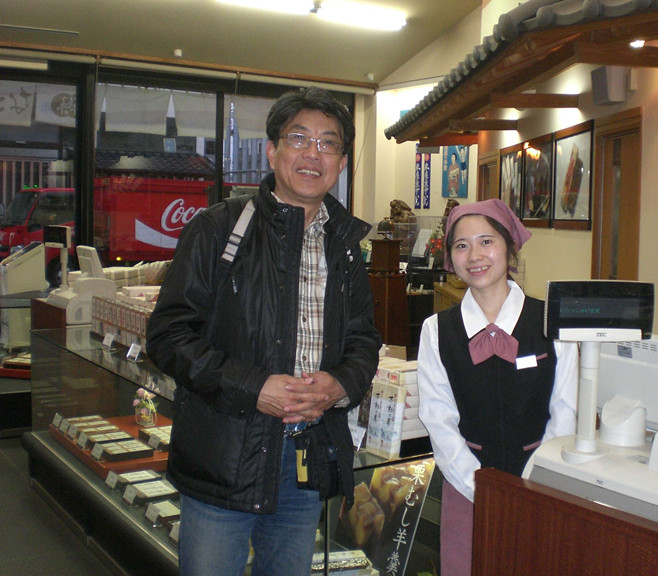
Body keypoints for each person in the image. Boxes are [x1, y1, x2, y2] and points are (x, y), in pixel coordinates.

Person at [146, 87, 381, 576]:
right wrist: (255, 388)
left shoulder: (345, 243)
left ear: (341, 162)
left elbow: (363, 340)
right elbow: (168, 336)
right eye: (299, 138)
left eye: (328, 143)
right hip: (225, 458)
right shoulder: (219, 229)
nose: (313, 153)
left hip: (306, 459)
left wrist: (340, 384)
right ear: (272, 151)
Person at [417, 199, 578, 576]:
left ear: (510, 246)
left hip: (542, 487)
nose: (475, 255)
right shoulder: (437, 330)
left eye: (486, 241)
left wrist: (533, 483)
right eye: (462, 245)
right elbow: (438, 419)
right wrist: (481, 488)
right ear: (451, 257)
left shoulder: (551, 321)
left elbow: (566, 411)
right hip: (466, 485)